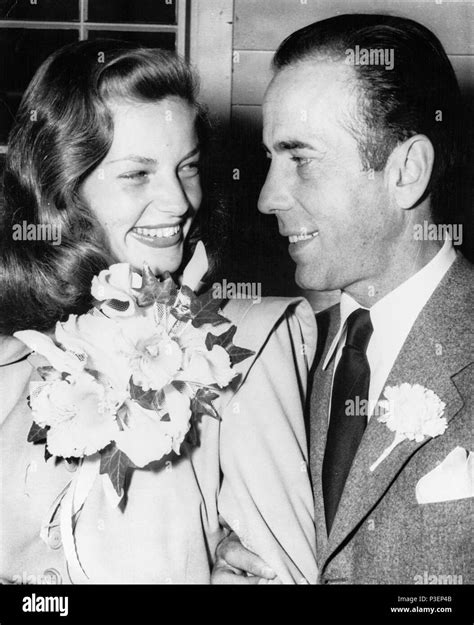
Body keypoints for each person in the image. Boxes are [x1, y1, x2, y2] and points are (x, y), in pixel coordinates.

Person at [0, 41, 318, 584]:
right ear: (61, 188)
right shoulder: (13, 349)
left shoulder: (248, 344)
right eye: (137, 174)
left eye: (187, 167)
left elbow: (282, 571)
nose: (177, 201)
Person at [212, 14, 473, 584]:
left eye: (300, 160)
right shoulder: (279, 352)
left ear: (406, 171)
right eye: (269, 160)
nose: (266, 197)